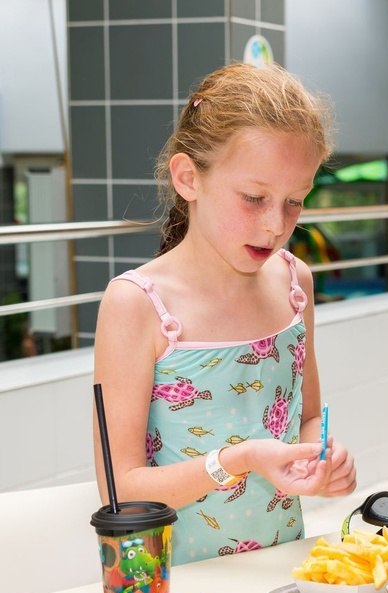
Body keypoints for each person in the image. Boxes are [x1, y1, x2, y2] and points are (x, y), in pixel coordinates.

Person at [92, 63, 356, 564]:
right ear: (188, 177)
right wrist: (241, 459)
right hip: (175, 587)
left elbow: (308, 417)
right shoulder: (138, 303)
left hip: (283, 566)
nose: (275, 225)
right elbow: (121, 491)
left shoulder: (295, 283)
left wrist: (319, 457)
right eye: (254, 198)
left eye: (295, 202)